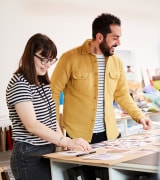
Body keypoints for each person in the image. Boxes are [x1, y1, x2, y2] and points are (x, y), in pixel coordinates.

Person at [50, 13, 152, 145]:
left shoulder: (117, 62)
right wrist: (57, 131)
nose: (119, 43)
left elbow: (122, 94)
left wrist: (140, 116)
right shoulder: (69, 58)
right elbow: (53, 93)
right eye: (115, 38)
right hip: (78, 137)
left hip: (110, 135)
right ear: (99, 37)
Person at [6, 33, 92, 180]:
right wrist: (65, 141)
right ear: (29, 55)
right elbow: (31, 125)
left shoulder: (43, 83)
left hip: (48, 150)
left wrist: (65, 144)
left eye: (51, 60)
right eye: (43, 59)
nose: (47, 64)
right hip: (29, 155)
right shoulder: (19, 84)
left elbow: (52, 119)